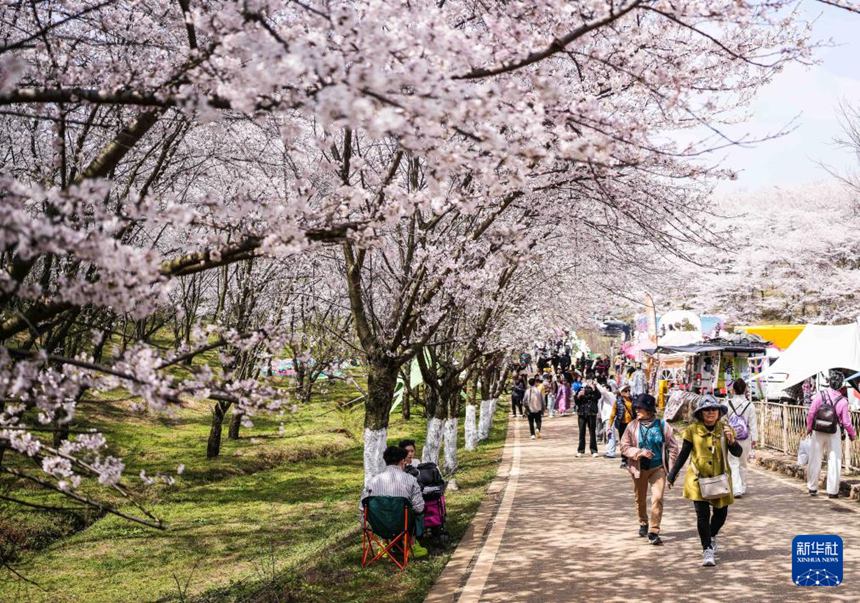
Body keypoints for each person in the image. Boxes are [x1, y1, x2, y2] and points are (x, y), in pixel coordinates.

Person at [667, 395, 743, 567]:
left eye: (714, 410)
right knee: (702, 516)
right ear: (700, 413)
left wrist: (731, 441)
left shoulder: (725, 429)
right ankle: (707, 549)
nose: (710, 413)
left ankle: (711, 535)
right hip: (697, 479)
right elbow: (684, 454)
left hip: (721, 478)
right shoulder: (692, 430)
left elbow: (737, 453)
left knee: (721, 514)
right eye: (707, 410)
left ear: (718, 412)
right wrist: (672, 474)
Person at [620, 394, 679, 545]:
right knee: (640, 498)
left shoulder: (663, 425)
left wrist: (672, 470)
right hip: (639, 468)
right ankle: (643, 522)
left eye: (641, 407)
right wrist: (639, 453)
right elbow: (624, 446)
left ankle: (653, 531)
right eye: (636, 407)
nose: (637, 410)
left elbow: (673, 447)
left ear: (649, 409)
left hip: (658, 468)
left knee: (657, 498)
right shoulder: (632, 426)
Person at [361, 445, 428, 558]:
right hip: (402, 525)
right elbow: (419, 508)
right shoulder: (410, 480)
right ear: (402, 460)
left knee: (382, 511)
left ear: (385, 460)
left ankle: (384, 546)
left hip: (379, 526)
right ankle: (411, 545)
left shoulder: (373, 481)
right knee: (418, 512)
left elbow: (362, 507)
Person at [806, 369, 858, 498]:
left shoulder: (820, 395)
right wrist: (852, 434)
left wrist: (809, 427)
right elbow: (846, 422)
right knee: (834, 460)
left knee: (815, 458)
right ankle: (832, 491)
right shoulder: (843, 401)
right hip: (834, 431)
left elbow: (811, 412)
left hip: (818, 431)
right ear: (841, 385)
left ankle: (812, 487)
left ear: (829, 382)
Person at [726, 379, 757, 498]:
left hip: (731, 437)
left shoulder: (727, 403)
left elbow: (724, 420)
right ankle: (742, 487)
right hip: (745, 438)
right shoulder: (750, 405)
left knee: (733, 462)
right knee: (743, 463)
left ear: (733, 390)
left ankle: (736, 488)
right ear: (745, 390)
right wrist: (754, 439)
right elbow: (752, 424)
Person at [610, 384, 635, 468]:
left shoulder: (633, 401)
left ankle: (631, 459)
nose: (628, 392)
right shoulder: (617, 402)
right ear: (621, 393)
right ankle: (624, 460)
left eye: (629, 390)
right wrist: (609, 426)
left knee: (632, 442)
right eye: (625, 391)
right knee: (623, 442)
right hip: (622, 424)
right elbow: (613, 414)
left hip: (632, 424)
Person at [575, 378, 600, 457]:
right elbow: (576, 401)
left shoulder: (594, 390)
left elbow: (598, 396)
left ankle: (594, 450)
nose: (588, 383)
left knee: (592, 432)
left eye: (590, 381)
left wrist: (594, 388)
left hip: (591, 413)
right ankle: (580, 450)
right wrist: (578, 396)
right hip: (582, 413)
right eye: (587, 381)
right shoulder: (580, 388)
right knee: (581, 432)